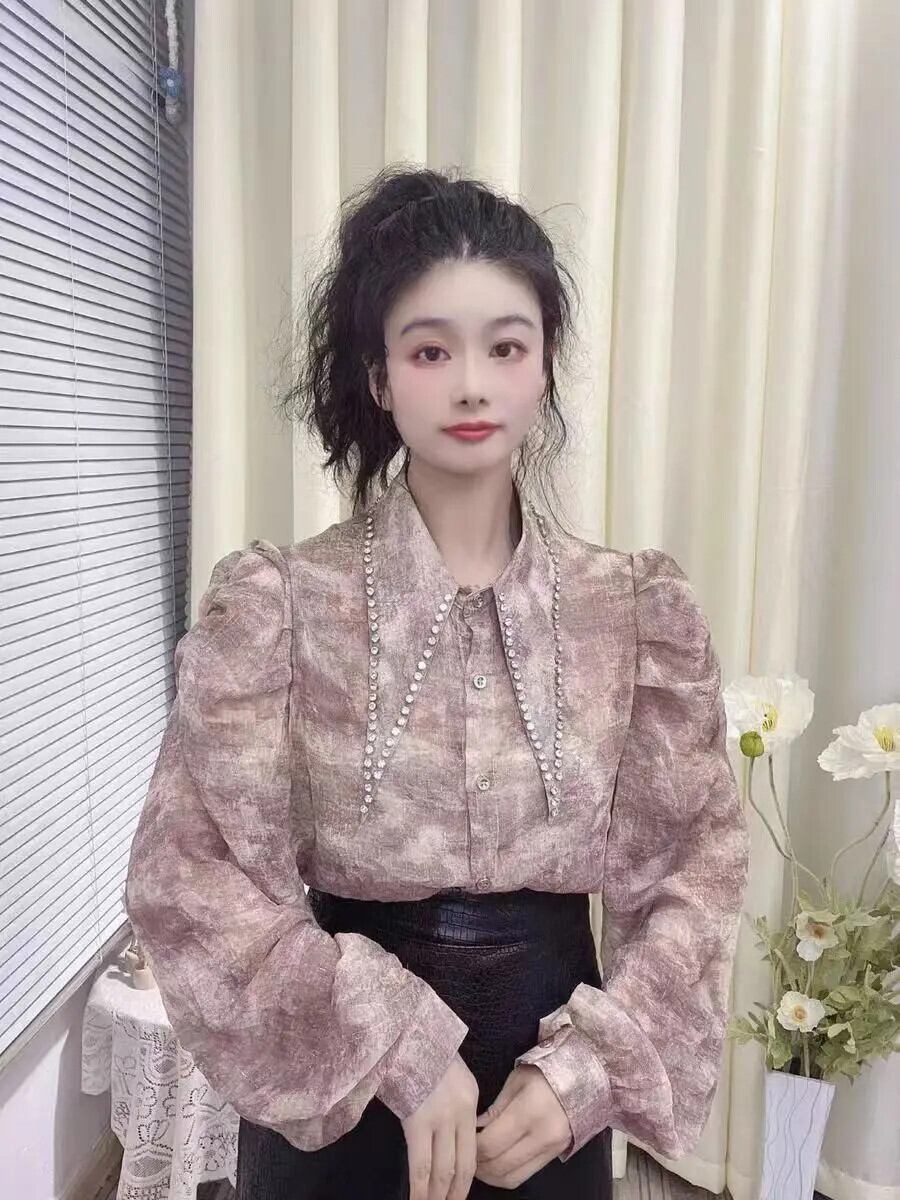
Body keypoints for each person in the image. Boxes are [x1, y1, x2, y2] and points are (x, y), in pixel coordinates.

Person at [124, 165, 751, 1200]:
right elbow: (189, 876)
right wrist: (395, 1043)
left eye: (506, 347)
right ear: (379, 378)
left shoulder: (632, 614)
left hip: (548, 1104)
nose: (471, 384)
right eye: (430, 350)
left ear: (544, 368)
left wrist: (587, 1072)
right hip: (339, 1096)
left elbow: (695, 869)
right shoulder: (284, 607)